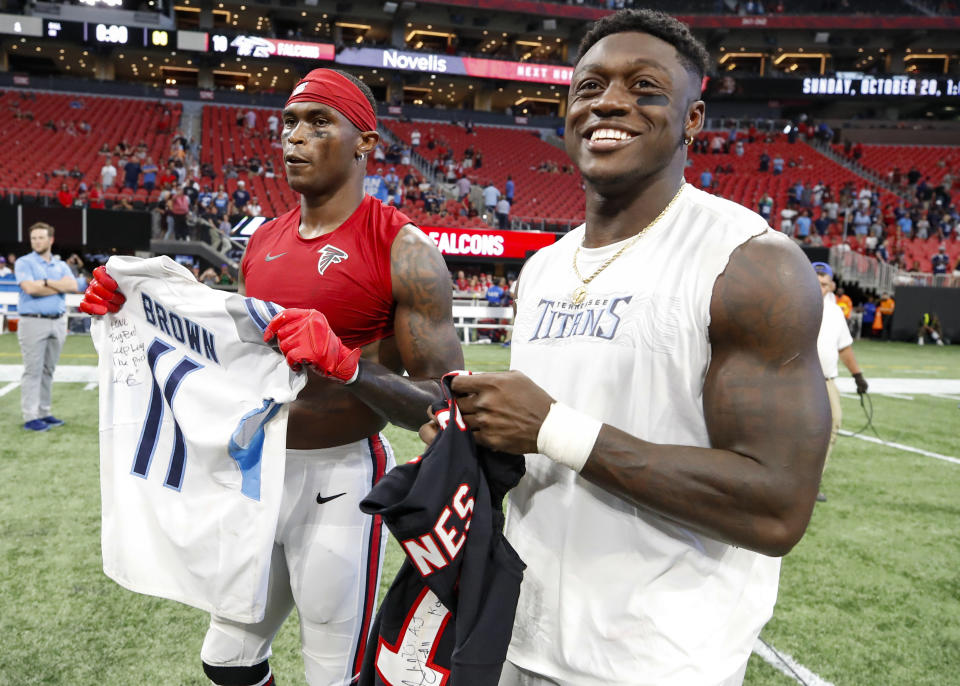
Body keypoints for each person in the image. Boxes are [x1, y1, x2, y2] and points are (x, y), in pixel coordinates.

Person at [423, 10, 830, 685]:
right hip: (516, 632)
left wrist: (553, 427)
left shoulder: (750, 264)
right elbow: (545, 436)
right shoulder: (545, 266)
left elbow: (777, 505)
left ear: (693, 120)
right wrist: (478, 439)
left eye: (645, 87)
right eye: (590, 87)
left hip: (658, 658)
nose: (610, 101)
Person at [80, 68, 463, 686]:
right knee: (226, 661)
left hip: (341, 476)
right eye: (289, 123)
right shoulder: (264, 240)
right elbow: (239, 357)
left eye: (319, 122)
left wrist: (346, 364)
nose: (295, 138)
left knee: (332, 675)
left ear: (365, 142)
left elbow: (446, 408)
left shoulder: (403, 248)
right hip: (260, 471)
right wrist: (141, 311)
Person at [812, 262, 868, 502]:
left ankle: (812, 484)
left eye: (824, 283)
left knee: (833, 424)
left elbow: (843, 347)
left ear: (831, 285)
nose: (819, 287)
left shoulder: (835, 312)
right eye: (815, 281)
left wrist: (857, 375)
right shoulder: (793, 302)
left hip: (826, 379)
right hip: (795, 379)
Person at [15, 222, 78, 432]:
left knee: (48, 370)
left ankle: (44, 411)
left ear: (50, 240)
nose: (36, 242)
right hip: (33, 321)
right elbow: (30, 289)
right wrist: (55, 286)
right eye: (33, 238)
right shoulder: (24, 262)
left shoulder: (61, 265)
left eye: (40, 238)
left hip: (58, 321)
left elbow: (72, 286)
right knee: (33, 370)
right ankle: (31, 416)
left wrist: (44, 282)